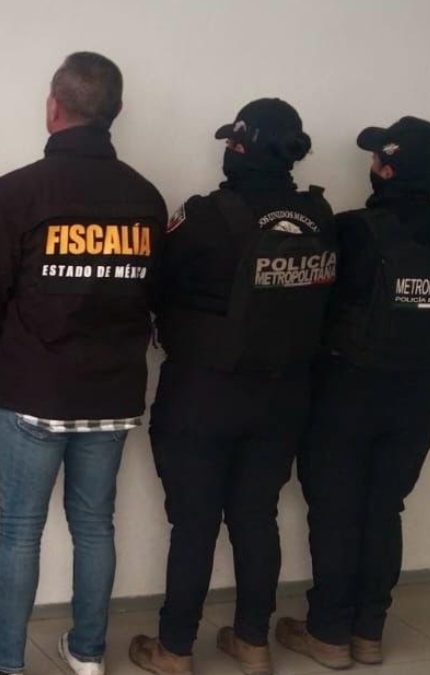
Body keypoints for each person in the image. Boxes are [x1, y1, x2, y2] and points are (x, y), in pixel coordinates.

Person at [0, 52, 166, 675]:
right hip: (113, 394)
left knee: (20, 530)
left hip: (34, 392)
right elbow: (154, 294)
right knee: (96, 527)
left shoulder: (16, 192)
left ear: (53, 108)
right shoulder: (146, 196)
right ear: (116, 111)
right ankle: (88, 653)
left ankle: (6, 663)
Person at [130, 99, 336, 675]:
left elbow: (154, 286)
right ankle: (252, 641)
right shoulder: (320, 216)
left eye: (233, 142)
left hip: (205, 393)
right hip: (285, 395)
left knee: (194, 523)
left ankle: (174, 649)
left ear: (241, 147)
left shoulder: (204, 217)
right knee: (256, 517)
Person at [277, 117, 430, 671]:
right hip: (421, 397)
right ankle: (369, 633)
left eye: (376, 158)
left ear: (387, 170)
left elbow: (311, 305)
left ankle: (328, 633)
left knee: (336, 513)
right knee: (385, 511)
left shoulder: (354, 230)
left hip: (348, 395)